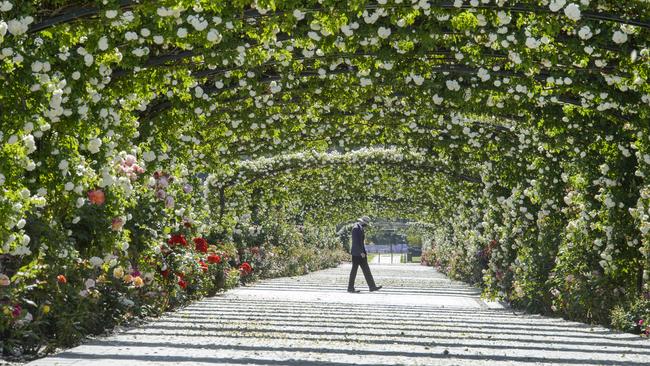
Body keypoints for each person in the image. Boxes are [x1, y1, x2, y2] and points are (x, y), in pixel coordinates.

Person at [347, 216, 382, 293]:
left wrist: (363, 252)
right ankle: (350, 288)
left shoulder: (359, 228)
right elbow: (356, 242)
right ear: (363, 222)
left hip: (360, 253)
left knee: (366, 270)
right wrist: (361, 252)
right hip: (357, 254)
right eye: (366, 223)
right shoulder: (356, 228)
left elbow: (360, 242)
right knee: (354, 271)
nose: (366, 225)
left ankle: (372, 286)